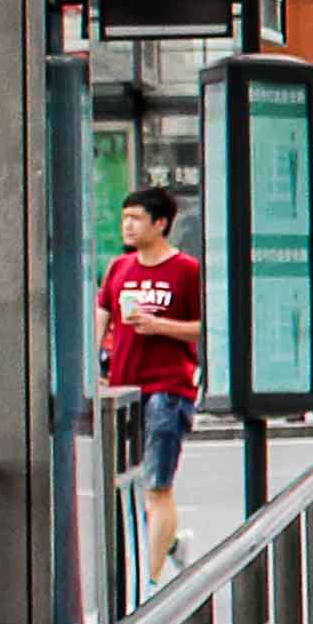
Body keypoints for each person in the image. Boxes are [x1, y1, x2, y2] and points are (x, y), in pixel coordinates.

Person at [95, 189, 208, 583]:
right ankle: (171, 544)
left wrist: (160, 326)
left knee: (157, 484)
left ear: (160, 223)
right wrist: (94, 365)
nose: (127, 225)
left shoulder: (186, 270)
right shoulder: (119, 268)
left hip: (168, 387)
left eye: (136, 218)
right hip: (124, 388)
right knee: (131, 485)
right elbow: (102, 315)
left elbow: (205, 326)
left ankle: (155, 580)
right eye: (124, 217)